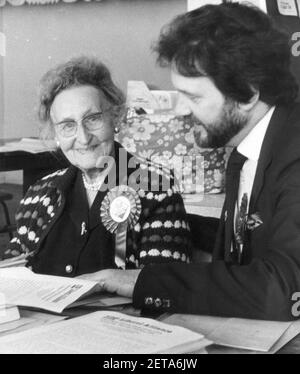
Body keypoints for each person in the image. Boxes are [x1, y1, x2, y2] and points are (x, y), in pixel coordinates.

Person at [79, 3, 300, 321]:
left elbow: (287, 288)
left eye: (193, 97)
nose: (180, 109)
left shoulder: (294, 154)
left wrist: (142, 280)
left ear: (249, 94)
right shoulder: (247, 149)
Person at [3, 56, 191, 276]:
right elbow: (10, 271)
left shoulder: (156, 186)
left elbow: (164, 283)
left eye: (93, 119)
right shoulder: (39, 194)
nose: (83, 138)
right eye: (67, 125)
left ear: (115, 117)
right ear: (55, 134)